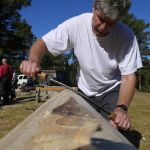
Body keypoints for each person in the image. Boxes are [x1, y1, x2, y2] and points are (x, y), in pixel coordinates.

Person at [20, 0, 143, 130]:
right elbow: (41, 44)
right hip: (84, 90)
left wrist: (121, 108)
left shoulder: (126, 36)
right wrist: (33, 61)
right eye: (100, 18)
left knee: (111, 134)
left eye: (111, 23)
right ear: (94, 6)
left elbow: (128, 77)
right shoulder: (77, 24)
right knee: (76, 132)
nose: (103, 27)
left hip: (111, 91)